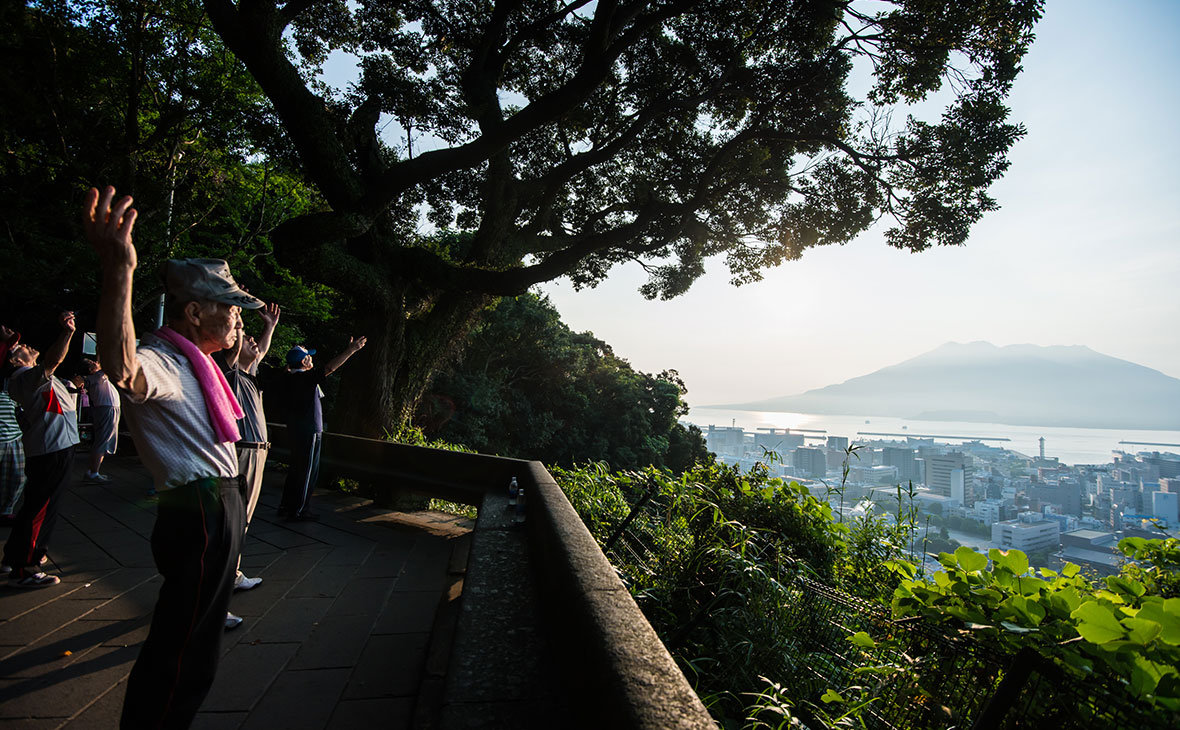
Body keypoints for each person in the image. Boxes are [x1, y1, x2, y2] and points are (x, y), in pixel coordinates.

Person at [85, 185, 264, 729]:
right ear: (193, 311)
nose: (239, 320)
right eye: (230, 308)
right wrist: (121, 270)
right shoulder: (164, 359)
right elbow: (121, 366)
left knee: (196, 637)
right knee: (184, 645)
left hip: (218, 501)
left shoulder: (203, 363)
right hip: (200, 507)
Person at [2, 311, 79, 587]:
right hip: (52, 450)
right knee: (41, 510)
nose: (27, 346)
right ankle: (26, 567)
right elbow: (54, 359)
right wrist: (67, 331)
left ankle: (13, 556)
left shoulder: (30, 376)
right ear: (14, 360)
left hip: (54, 447)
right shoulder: (24, 377)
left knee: (35, 505)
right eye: (20, 347)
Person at [217, 301, 279, 628]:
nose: (255, 344)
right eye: (248, 341)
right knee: (229, 526)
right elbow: (238, 352)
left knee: (242, 522)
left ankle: (234, 575)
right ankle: (216, 597)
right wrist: (239, 329)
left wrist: (268, 327)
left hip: (256, 452)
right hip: (240, 452)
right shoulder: (230, 373)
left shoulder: (250, 374)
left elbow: (260, 352)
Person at [278, 335, 365, 521]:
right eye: (308, 357)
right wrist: (351, 350)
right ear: (303, 361)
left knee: (295, 469)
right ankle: (299, 510)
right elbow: (329, 368)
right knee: (307, 472)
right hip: (309, 430)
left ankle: (286, 506)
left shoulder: (287, 378)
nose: (312, 359)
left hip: (295, 429)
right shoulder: (305, 378)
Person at [81, 358, 121, 482]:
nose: (97, 363)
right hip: (107, 409)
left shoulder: (95, 378)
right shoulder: (97, 377)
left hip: (105, 409)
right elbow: (109, 364)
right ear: (91, 369)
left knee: (101, 440)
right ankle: (94, 473)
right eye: (94, 364)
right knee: (102, 441)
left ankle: (92, 470)